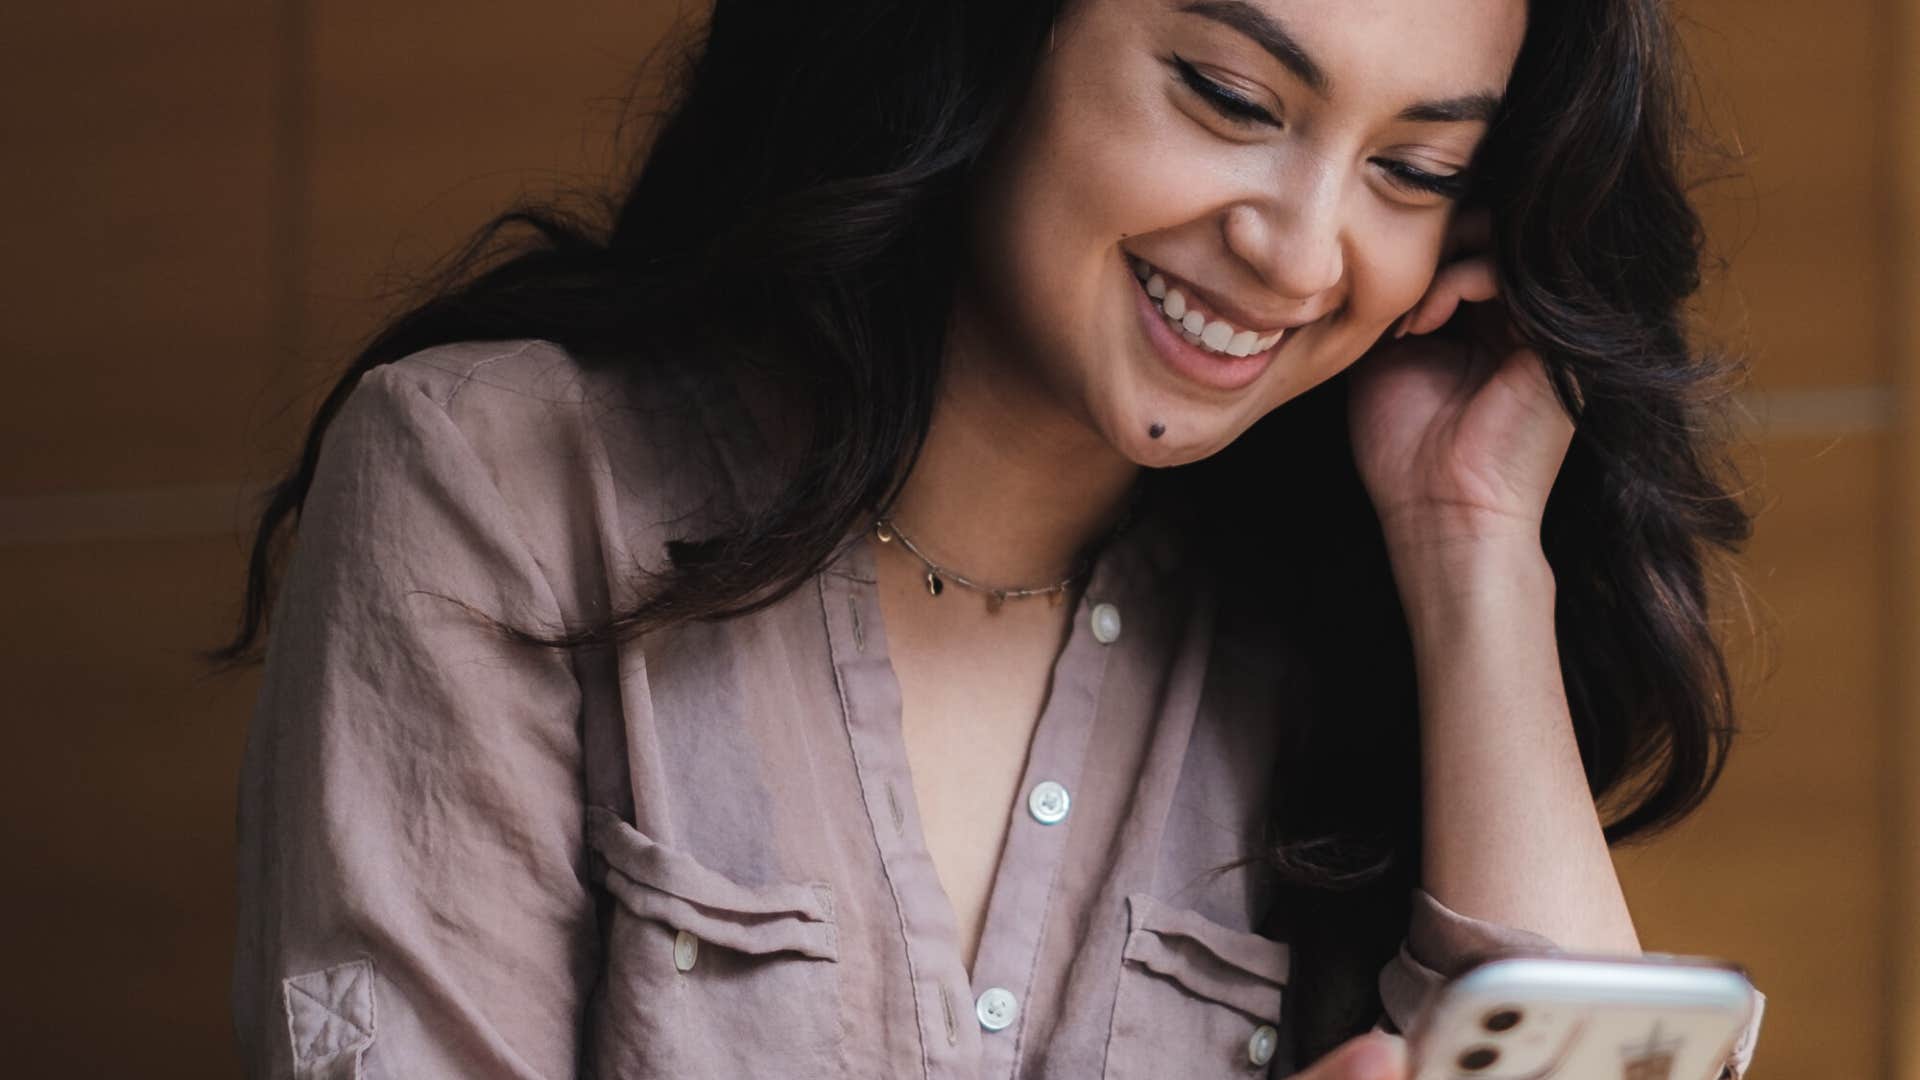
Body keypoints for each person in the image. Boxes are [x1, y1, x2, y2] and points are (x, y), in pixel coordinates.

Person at [214, 0, 1768, 1076]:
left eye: (1413, 171)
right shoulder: (494, 482)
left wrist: (1470, 541)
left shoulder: (1319, 623)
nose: (1300, 251)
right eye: (1231, 97)